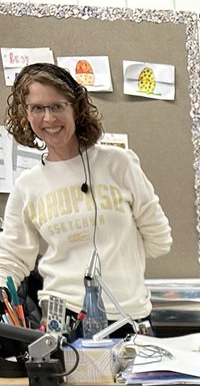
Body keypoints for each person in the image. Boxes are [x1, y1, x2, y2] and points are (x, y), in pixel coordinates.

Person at [0, 62, 171, 323]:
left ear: (76, 108)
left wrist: (122, 262)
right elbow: (11, 259)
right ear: (25, 114)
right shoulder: (27, 186)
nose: (48, 118)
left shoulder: (119, 164)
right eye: (37, 108)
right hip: (64, 320)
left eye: (57, 106)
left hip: (127, 316)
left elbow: (159, 239)